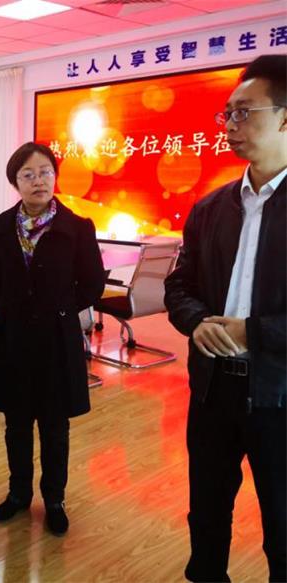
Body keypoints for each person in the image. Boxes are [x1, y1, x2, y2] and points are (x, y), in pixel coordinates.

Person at [164, 54, 286, 583]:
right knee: (207, 513)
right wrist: (197, 322)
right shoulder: (210, 208)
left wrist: (251, 332)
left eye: (244, 112)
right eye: (227, 114)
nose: (230, 125)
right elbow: (178, 286)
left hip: (279, 394)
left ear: (284, 118)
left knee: (282, 523)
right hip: (213, 390)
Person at [0, 142, 105, 536]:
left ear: (55, 176)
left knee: (54, 426)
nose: (38, 181)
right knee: (15, 424)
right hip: (13, 339)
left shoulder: (77, 228)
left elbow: (93, 284)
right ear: (15, 182)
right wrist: (11, 311)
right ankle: (18, 493)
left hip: (56, 339)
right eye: (28, 174)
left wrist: (60, 310)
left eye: (45, 172)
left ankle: (54, 498)